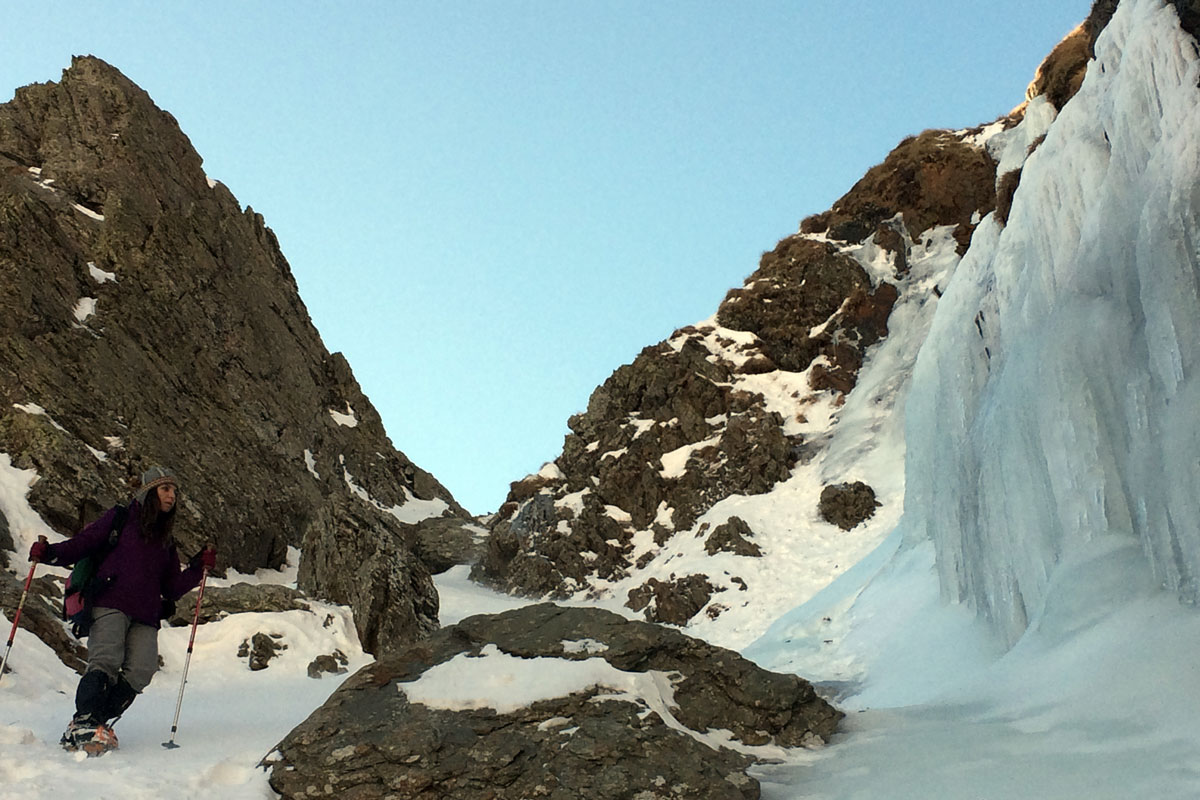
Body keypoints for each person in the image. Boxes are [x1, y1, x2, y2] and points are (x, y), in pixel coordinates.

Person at [29, 465, 216, 754]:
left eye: (175, 491)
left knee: (142, 669)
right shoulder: (120, 518)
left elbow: (172, 587)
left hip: (147, 612)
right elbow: (83, 544)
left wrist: (196, 568)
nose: (172, 496)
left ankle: (94, 722)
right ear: (149, 491)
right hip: (109, 600)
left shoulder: (165, 540)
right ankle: (86, 721)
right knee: (106, 659)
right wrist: (50, 553)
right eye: (166, 489)